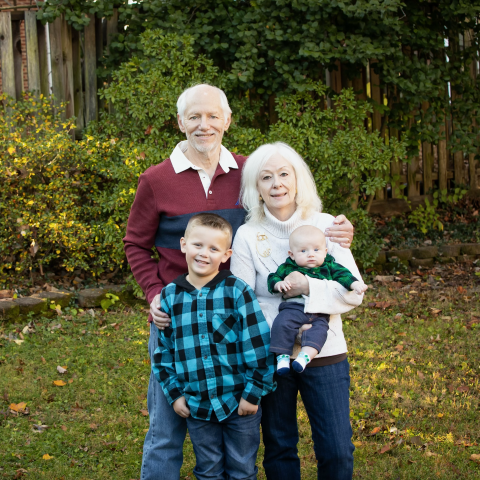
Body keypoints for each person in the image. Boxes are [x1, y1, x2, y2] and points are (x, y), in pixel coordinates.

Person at [123, 83, 355, 480]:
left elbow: (290, 215)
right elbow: (135, 243)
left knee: (240, 421)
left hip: (239, 322)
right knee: (168, 426)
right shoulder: (156, 180)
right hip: (178, 319)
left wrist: (336, 232)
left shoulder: (250, 172)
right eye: (194, 116)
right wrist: (155, 293)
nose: (204, 125)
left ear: (227, 120)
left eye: (213, 115)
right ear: (180, 122)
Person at [230, 142, 365, 480]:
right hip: (272, 356)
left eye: (284, 174)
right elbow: (242, 302)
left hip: (326, 350)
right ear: (256, 189)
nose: (277, 183)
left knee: (337, 449)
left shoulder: (327, 224)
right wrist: (283, 328)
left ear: (298, 180)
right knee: (279, 446)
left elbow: (353, 293)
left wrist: (309, 289)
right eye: (266, 177)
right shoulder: (247, 235)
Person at [152, 213, 275, 480]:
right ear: (183, 244)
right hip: (198, 406)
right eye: (198, 245)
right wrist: (175, 395)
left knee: (242, 470)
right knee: (208, 470)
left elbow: (259, 346)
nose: (204, 254)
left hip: (239, 403)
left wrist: (252, 394)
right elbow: (163, 354)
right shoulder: (170, 297)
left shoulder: (237, 291)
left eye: (214, 248)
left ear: (226, 254)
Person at [267, 225, 367, 375]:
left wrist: (355, 284)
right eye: (303, 251)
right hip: (293, 308)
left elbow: (343, 275)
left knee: (320, 332)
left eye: (316, 250)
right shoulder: (288, 267)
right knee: (281, 324)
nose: (311, 255)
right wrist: (278, 284)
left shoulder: (329, 265)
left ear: (325, 252)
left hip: (320, 312)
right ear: (292, 254)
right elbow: (272, 278)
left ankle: (305, 357)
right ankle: (282, 356)